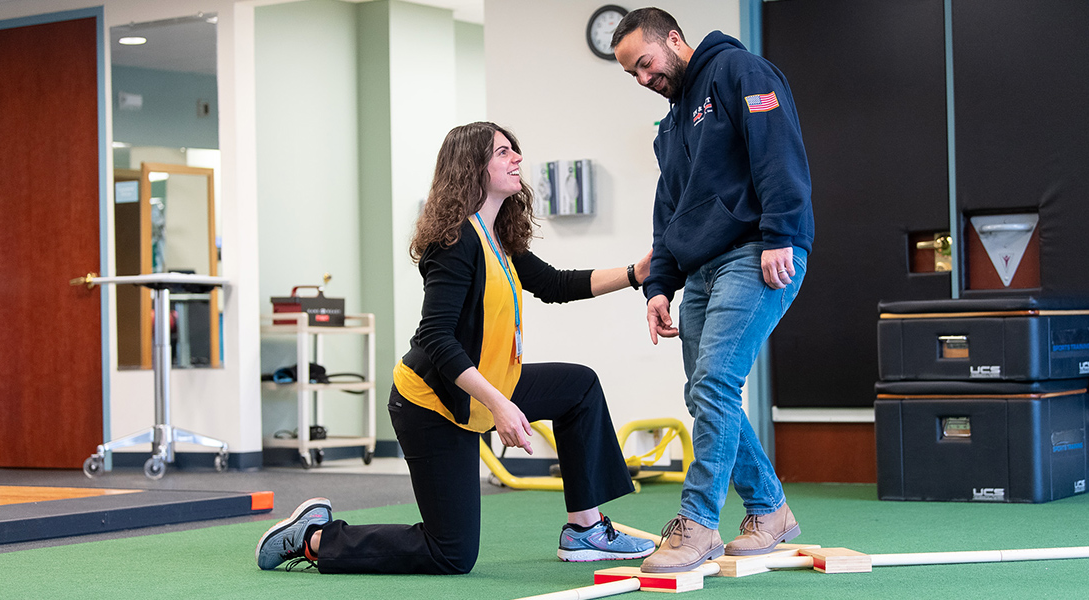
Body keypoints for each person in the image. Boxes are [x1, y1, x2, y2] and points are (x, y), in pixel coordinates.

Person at [255, 121, 656, 575]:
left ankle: (584, 531)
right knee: (452, 553)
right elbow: (436, 337)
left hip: (484, 386)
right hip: (431, 403)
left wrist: (632, 274)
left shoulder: (497, 235)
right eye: (503, 152)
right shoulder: (455, 241)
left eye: (514, 151)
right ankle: (314, 537)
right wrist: (501, 406)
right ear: (473, 167)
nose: (517, 158)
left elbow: (552, 284)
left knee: (578, 386)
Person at [610, 7, 815, 573]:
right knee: (704, 392)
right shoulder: (672, 126)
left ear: (674, 40)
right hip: (699, 269)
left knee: (716, 383)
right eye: (633, 75)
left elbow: (779, 154)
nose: (644, 80)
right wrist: (659, 285)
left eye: (646, 64)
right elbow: (668, 209)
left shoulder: (741, 72)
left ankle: (698, 524)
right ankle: (771, 511)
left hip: (758, 251)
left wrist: (781, 233)